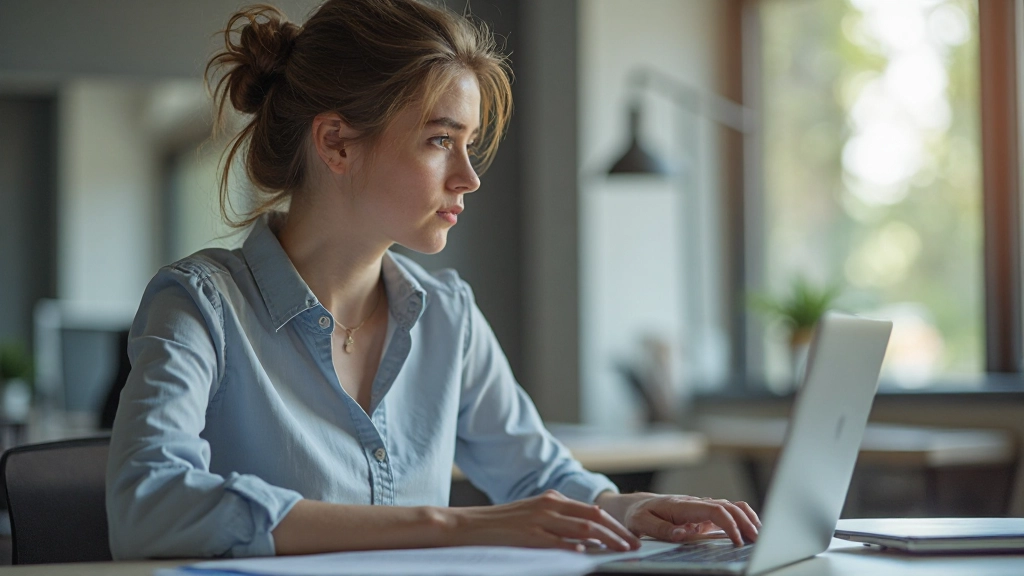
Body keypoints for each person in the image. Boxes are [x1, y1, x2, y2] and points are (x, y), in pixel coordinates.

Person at [105, 0, 761, 560]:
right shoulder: (199, 306)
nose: (468, 177)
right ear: (336, 143)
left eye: (469, 144)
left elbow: (535, 472)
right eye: (440, 140)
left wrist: (625, 507)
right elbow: (150, 506)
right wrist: (448, 525)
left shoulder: (447, 316)